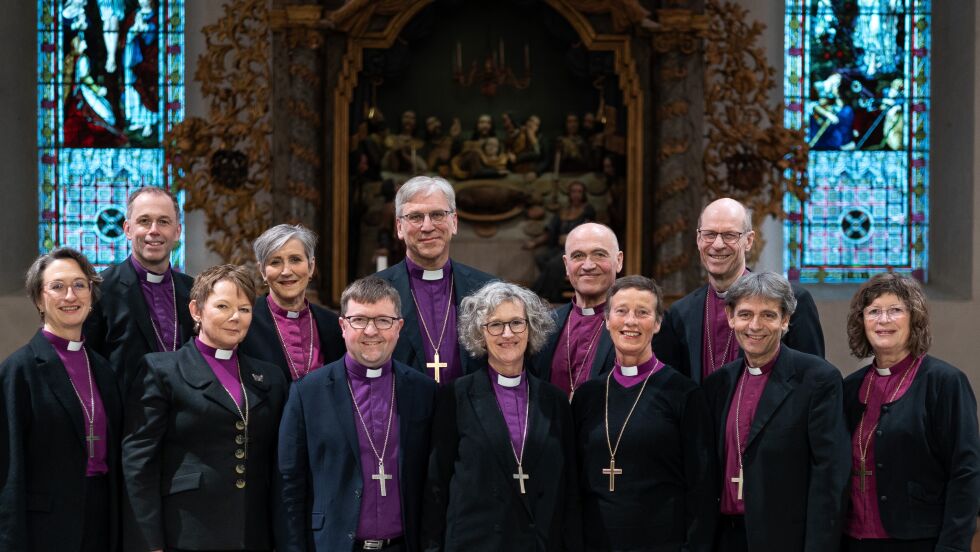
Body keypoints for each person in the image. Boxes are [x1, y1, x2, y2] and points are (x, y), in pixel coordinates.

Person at [122, 264, 288, 551]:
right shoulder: (163, 370)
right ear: (196, 310)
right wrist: (149, 542)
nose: (235, 317)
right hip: (187, 531)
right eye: (223, 306)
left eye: (245, 309)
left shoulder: (270, 377)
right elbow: (139, 464)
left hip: (253, 532)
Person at [277, 276, 438, 552]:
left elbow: (436, 482)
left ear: (398, 327)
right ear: (343, 326)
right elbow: (289, 485)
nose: (371, 331)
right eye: (360, 320)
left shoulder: (425, 391)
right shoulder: (308, 394)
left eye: (383, 321)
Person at [422, 281, 582, 551]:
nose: (507, 333)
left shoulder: (554, 401)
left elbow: (570, 489)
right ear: (480, 333)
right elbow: (436, 487)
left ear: (530, 329)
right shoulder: (456, 397)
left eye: (517, 323)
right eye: (495, 324)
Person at [703, 272, 849, 551]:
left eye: (768, 315)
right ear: (731, 317)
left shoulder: (817, 379)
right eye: (745, 314)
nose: (755, 326)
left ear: (785, 321)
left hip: (786, 539)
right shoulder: (717, 385)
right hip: (725, 537)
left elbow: (830, 476)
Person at [572, 275, 716, 551]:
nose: (630, 322)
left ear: (658, 323)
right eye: (621, 311)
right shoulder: (587, 396)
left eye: (643, 313)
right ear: (606, 320)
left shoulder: (684, 395)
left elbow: (702, 488)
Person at [841, 273, 980, 551]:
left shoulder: (944, 383)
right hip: (853, 540)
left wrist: (952, 547)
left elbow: (965, 473)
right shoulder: (850, 387)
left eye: (895, 310)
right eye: (874, 311)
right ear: (862, 321)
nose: (883, 320)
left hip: (920, 541)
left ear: (914, 318)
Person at [0, 248, 122, 551]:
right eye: (57, 286)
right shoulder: (19, 371)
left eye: (80, 285)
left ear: (91, 296)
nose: (71, 295)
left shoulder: (103, 368)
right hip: (46, 528)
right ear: (39, 299)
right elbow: (7, 469)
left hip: (104, 519)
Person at [653, 198, 824, 384]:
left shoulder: (791, 301)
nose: (718, 244)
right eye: (709, 234)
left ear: (749, 241)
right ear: (698, 239)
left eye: (729, 235)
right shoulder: (680, 313)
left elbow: (813, 382)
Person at [375, 175, 495, 384]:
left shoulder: (488, 289)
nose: (427, 226)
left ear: (454, 222)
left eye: (438, 214)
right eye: (415, 217)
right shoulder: (371, 292)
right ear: (399, 227)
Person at [85, 186, 195, 394]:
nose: (154, 230)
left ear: (177, 231)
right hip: (127, 419)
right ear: (127, 229)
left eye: (163, 221)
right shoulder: (100, 289)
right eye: (144, 221)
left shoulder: (194, 290)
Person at [240, 224, 346, 382]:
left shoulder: (333, 324)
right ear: (262, 271)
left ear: (311, 266)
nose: (286, 271)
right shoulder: (244, 321)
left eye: (295, 260)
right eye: (275, 262)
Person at [531, 223, 618, 400]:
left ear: (619, 261)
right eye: (578, 256)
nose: (588, 265)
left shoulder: (636, 326)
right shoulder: (545, 325)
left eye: (599, 254)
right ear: (566, 264)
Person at [525, 182, 597, 304]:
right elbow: (550, 232)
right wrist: (535, 242)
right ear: (569, 194)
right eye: (574, 191)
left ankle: (537, 293)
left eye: (579, 191)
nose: (576, 195)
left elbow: (589, 231)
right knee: (541, 258)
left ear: (583, 194)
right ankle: (552, 289)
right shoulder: (563, 211)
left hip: (576, 251)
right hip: (559, 249)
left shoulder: (587, 210)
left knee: (553, 264)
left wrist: (571, 238)